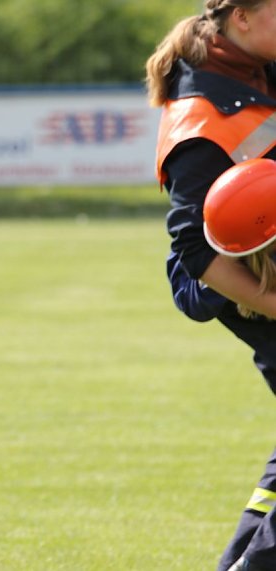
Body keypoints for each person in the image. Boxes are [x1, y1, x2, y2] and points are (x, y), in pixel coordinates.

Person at [146, 2, 276, 569]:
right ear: (242, 18)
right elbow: (193, 251)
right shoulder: (200, 116)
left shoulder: (258, 64)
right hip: (249, 289)